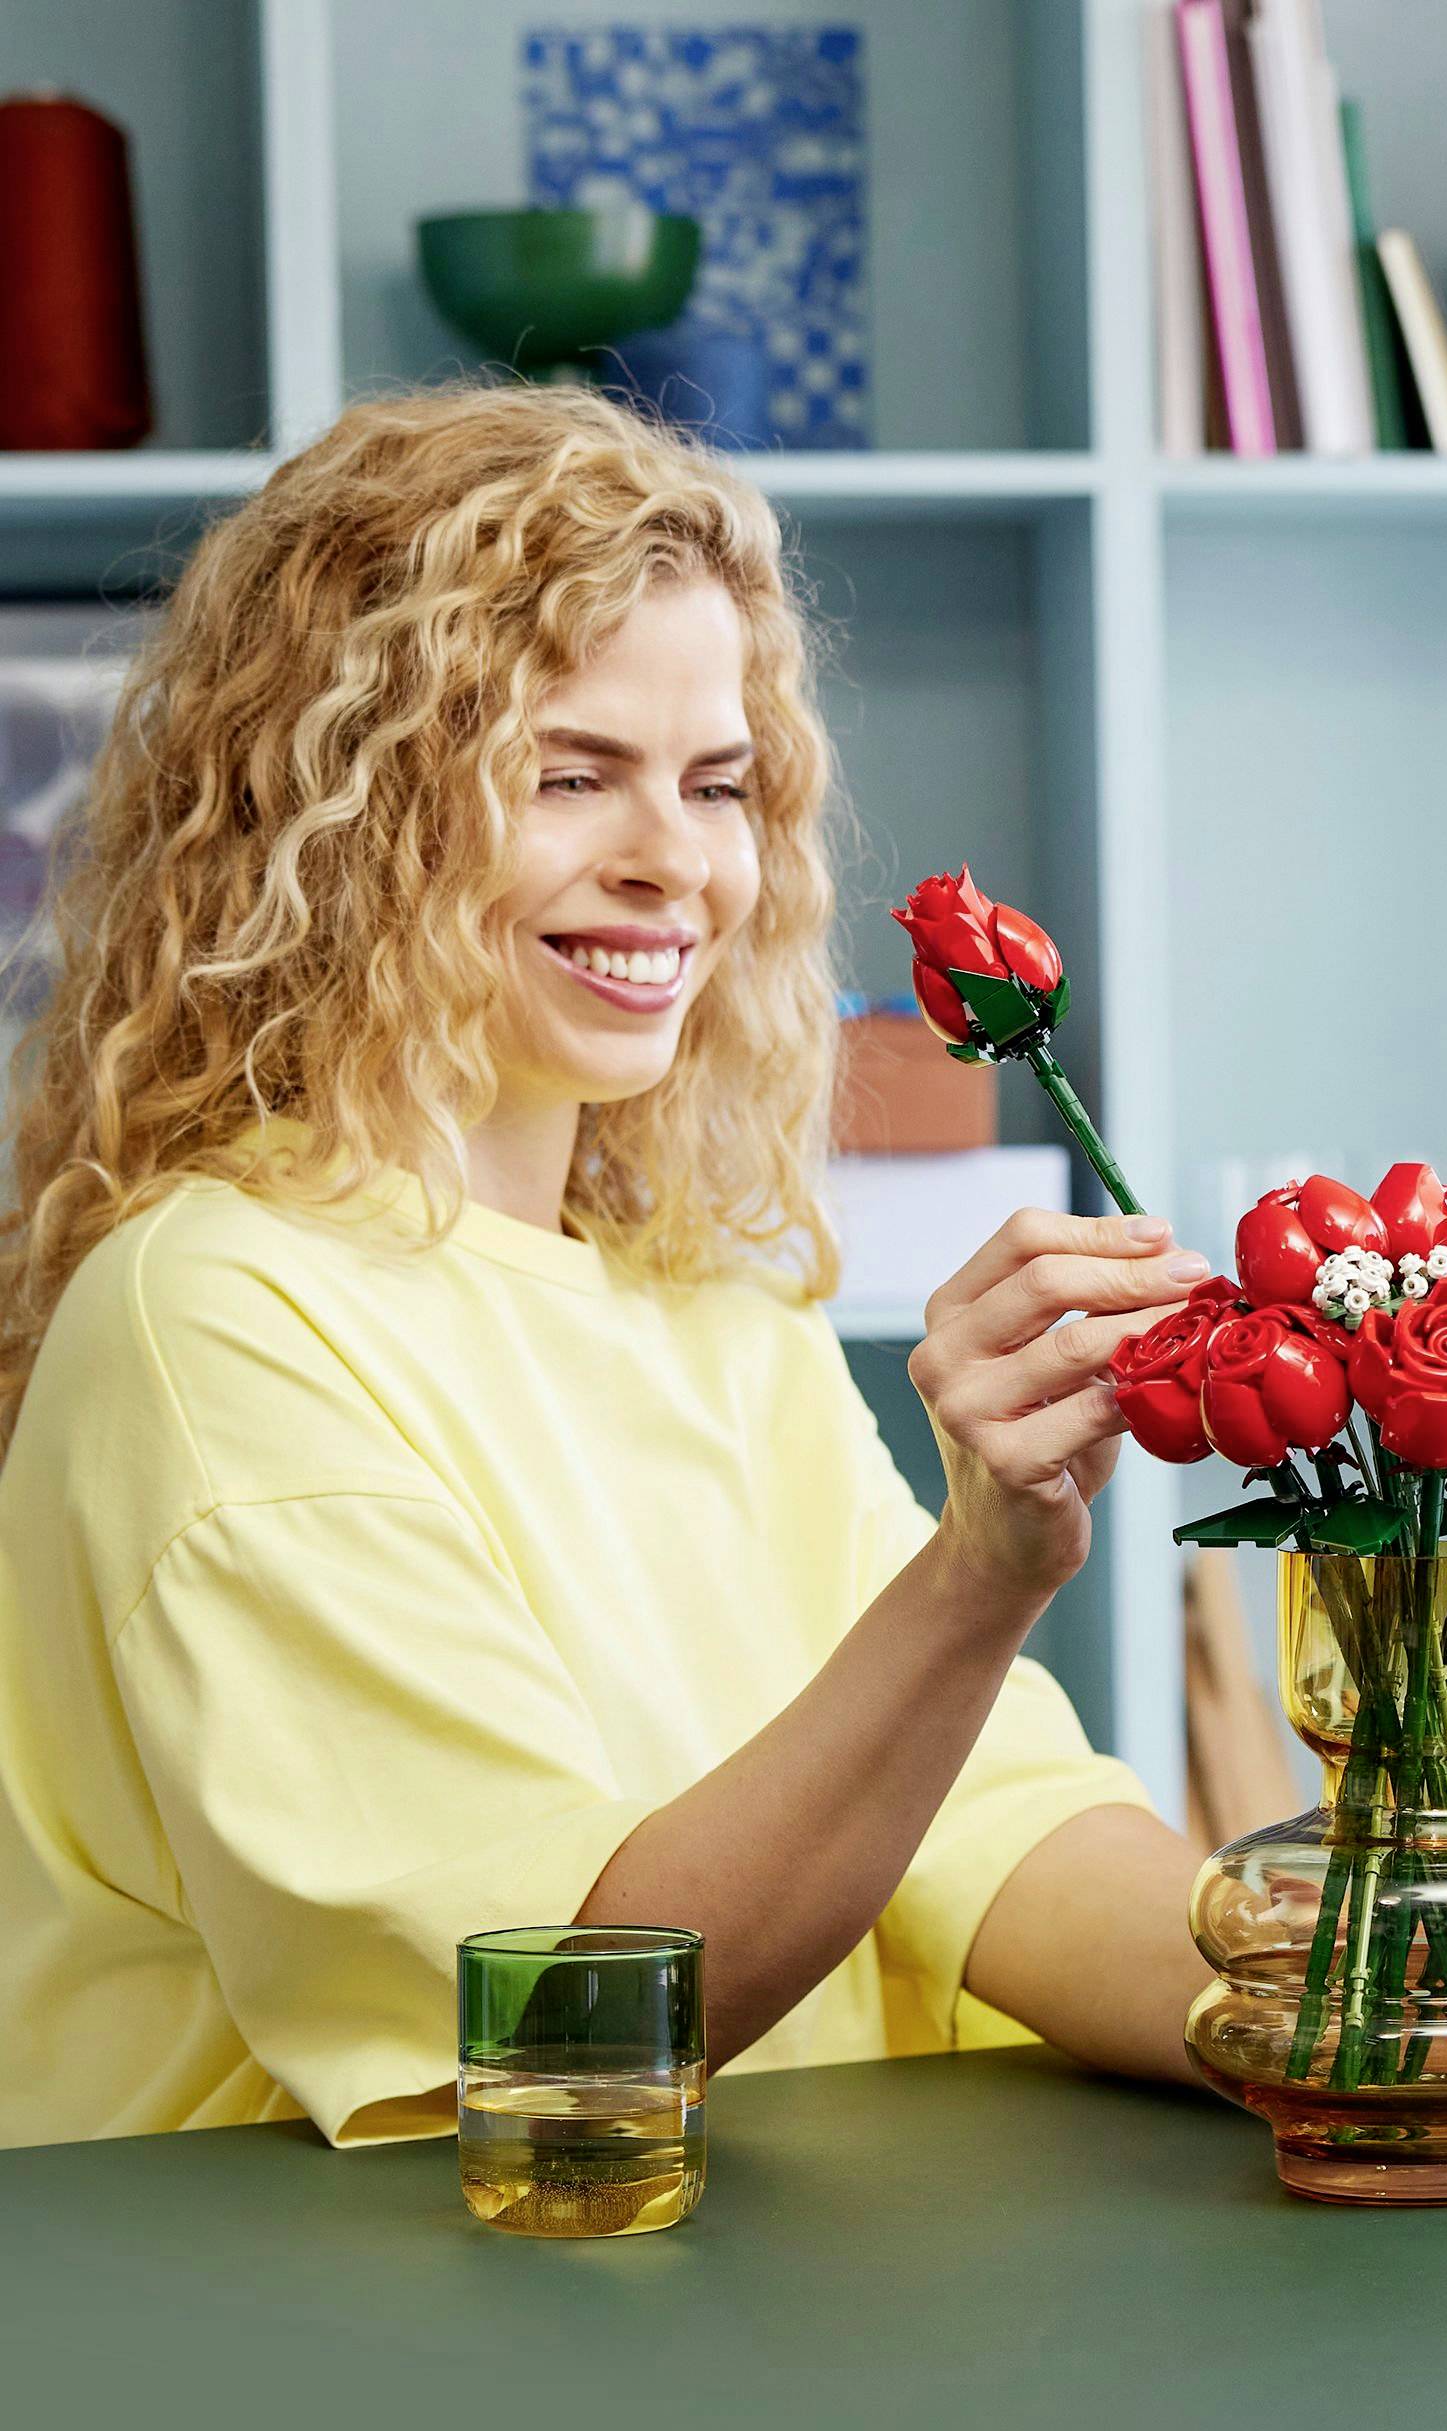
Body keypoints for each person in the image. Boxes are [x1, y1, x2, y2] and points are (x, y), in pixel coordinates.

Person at [0, 384, 1211, 2149]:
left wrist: (1352, 2018)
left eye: (715, 786)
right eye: (568, 775)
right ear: (345, 816)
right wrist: (980, 1576)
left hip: (706, 2302)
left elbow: (990, 1823)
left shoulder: (704, 1294)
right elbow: (572, 2013)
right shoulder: (219, 1318)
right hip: (344, 2351)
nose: (674, 866)